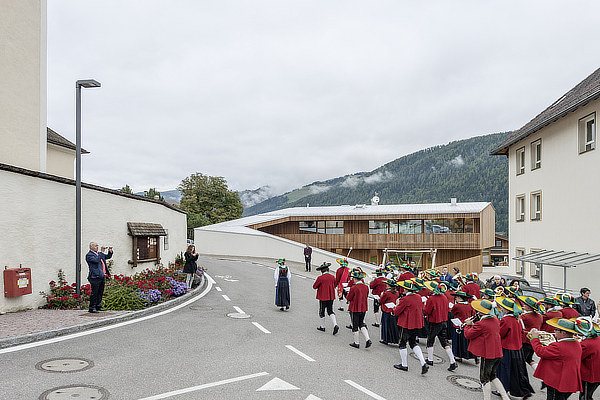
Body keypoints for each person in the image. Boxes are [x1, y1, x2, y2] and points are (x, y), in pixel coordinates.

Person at [463, 299, 510, 400]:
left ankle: (486, 398)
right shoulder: (495, 319)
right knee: (493, 376)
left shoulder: (481, 323)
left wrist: (467, 325)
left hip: (488, 354)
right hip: (498, 352)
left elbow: (468, 335)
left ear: (482, 311)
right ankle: (505, 397)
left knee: (484, 378)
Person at [530, 318, 583, 399]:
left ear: (564, 332)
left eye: (556, 329)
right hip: (568, 381)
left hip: (557, 382)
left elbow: (540, 352)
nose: (554, 331)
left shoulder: (558, 346)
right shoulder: (577, 343)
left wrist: (534, 338)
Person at [495, 297, 534, 399]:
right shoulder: (518, 318)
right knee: (516, 370)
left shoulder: (506, 319)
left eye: (503, 307)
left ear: (507, 309)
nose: (502, 309)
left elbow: (501, 334)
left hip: (506, 348)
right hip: (517, 348)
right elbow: (521, 332)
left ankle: (502, 389)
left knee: (503, 369)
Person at [393, 279, 429, 374]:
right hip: (416, 324)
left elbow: (397, 312)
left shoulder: (405, 299)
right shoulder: (418, 297)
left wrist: (396, 305)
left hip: (406, 324)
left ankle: (404, 364)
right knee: (413, 343)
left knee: (402, 344)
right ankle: (423, 362)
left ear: (406, 289)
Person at [423, 281, 458, 371]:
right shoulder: (444, 297)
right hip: (443, 322)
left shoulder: (431, 298)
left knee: (430, 340)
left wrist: (424, 304)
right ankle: (452, 361)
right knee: (444, 342)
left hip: (434, 322)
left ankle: (430, 359)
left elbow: (427, 311)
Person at [346, 270, 372, 349]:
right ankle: (367, 339)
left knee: (355, 325)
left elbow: (349, 298)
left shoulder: (354, 287)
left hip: (355, 308)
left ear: (355, 279)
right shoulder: (366, 287)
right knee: (362, 323)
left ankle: (356, 342)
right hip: (363, 308)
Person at [576, 317, 600, 400]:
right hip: (597, 373)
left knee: (585, 397)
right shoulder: (597, 339)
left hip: (589, 376)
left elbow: (577, 357)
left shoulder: (585, 344)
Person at [518, 296, 544, 371]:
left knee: (521, 360)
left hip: (525, 341)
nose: (523, 305)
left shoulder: (524, 316)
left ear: (529, 307)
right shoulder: (540, 316)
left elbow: (520, 326)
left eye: (525, 304)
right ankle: (539, 371)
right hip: (533, 340)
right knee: (529, 359)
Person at [85, 242, 113, 313]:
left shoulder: (99, 254)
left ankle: (98, 306)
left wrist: (110, 251)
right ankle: (92, 307)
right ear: (91, 247)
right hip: (95, 276)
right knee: (94, 292)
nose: (97, 247)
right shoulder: (89, 255)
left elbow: (107, 257)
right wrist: (101, 252)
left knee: (100, 292)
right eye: (95, 246)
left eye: (97, 245)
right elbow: (96, 260)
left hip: (101, 275)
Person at [450, 291, 477, 363]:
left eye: (457, 297)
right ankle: (473, 356)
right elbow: (473, 314)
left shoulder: (457, 306)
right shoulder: (470, 305)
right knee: (467, 342)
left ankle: (458, 356)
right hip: (468, 325)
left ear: (460, 298)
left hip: (458, 325)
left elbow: (452, 312)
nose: (456, 298)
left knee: (457, 341)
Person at [313, 262, 339, 335]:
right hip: (331, 296)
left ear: (322, 271)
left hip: (323, 297)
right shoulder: (332, 277)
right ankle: (335, 324)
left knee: (322, 311)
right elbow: (335, 284)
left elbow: (314, 286)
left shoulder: (320, 278)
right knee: (330, 311)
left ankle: (322, 326)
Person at [379, 279, 400, 345]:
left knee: (385, 325)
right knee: (393, 326)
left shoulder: (386, 293)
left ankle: (385, 339)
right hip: (393, 309)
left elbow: (381, 301)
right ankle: (394, 339)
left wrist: (381, 295)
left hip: (387, 309)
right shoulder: (396, 292)